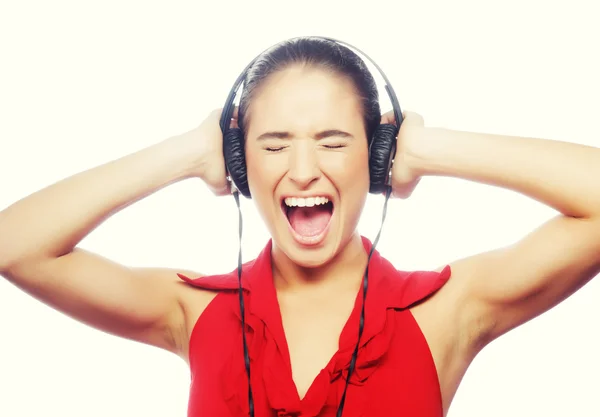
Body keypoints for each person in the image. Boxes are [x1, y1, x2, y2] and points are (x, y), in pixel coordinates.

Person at [0, 37, 598, 416]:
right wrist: (185, 153)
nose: (304, 170)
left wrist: (428, 149)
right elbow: (15, 246)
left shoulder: (446, 309)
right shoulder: (192, 309)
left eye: (334, 142)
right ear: (239, 162)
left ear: (377, 158)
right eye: (274, 144)